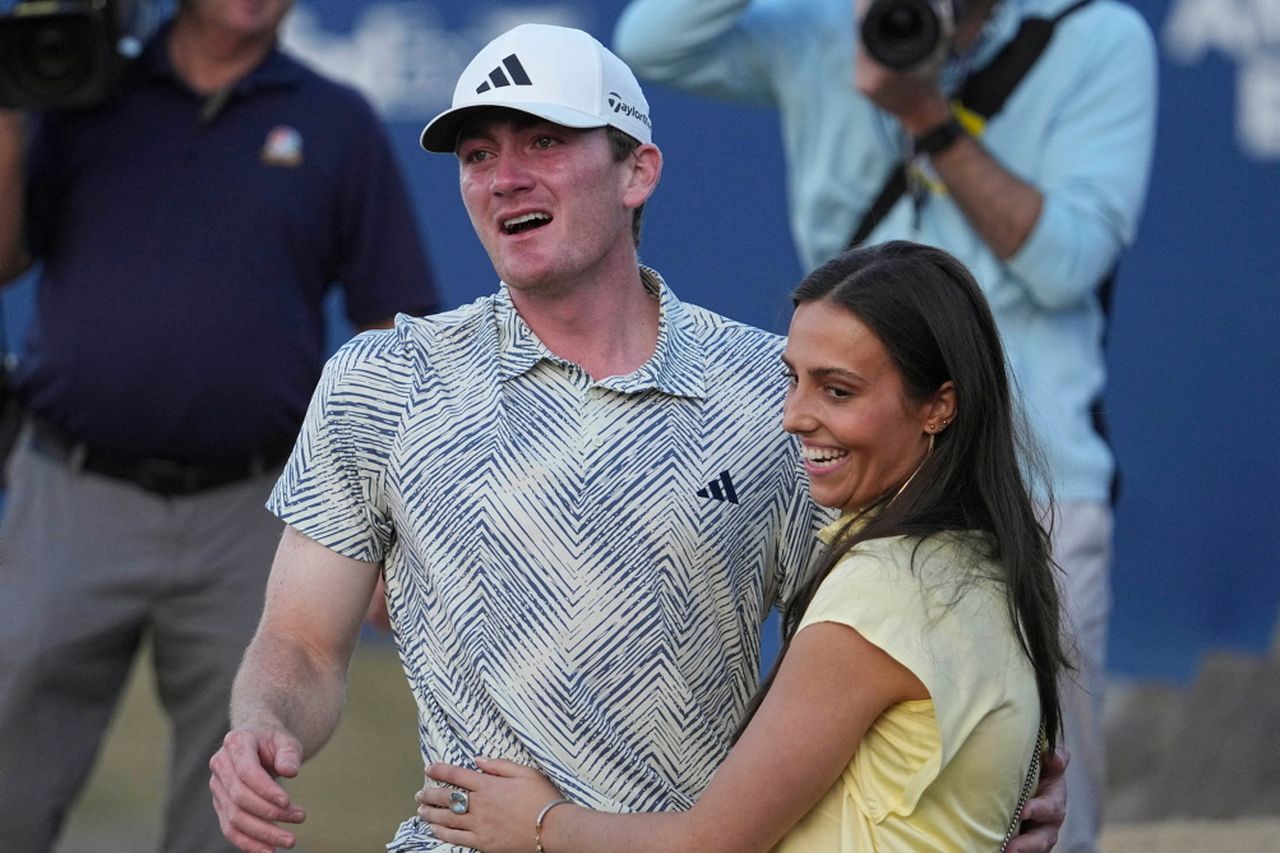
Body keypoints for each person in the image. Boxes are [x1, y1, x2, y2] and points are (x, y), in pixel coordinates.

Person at [207, 24, 1063, 853]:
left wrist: (1001, 772)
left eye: (543, 143)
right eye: (477, 156)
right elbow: (301, 641)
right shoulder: (384, 379)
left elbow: (924, 608)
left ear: (637, 171)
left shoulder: (779, 394)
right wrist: (261, 726)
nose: (504, 178)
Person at [613, 2, 1158, 848]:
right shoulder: (827, 25)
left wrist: (925, 117)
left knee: (1042, 818)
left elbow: (1068, 261)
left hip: (1037, 493)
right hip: (860, 485)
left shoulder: (1094, 36)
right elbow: (652, 39)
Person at [418, 238, 1068, 852]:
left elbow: (713, 843)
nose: (795, 415)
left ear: (938, 407)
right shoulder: (984, 561)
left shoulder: (882, 591)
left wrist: (539, 823)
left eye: (837, 390)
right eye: (794, 379)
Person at [0, 0, 438, 850]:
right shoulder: (78, 91)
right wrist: (11, 108)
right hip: (72, 491)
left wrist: (393, 514)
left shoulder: (334, 121)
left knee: (237, 789)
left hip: (256, 512)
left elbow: (397, 331)